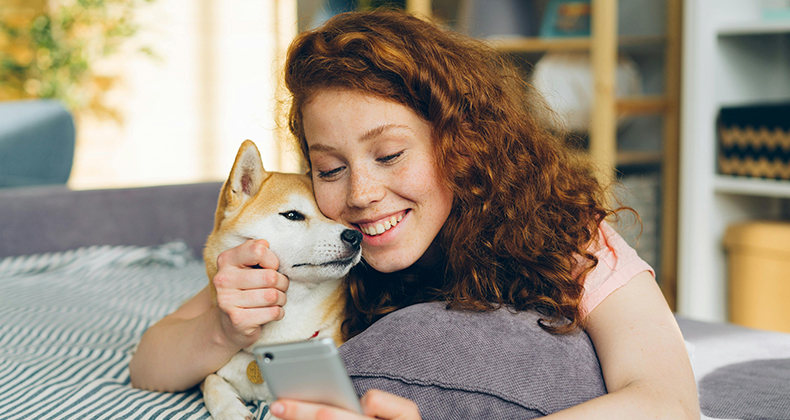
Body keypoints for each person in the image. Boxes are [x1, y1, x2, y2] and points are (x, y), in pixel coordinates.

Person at [130, 9, 699, 420]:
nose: (361, 193)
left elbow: (667, 401)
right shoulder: (323, 253)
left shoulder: (562, 237)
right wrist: (224, 326)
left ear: (461, 143)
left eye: (389, 155)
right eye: (330, 169)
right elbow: (149, 365)